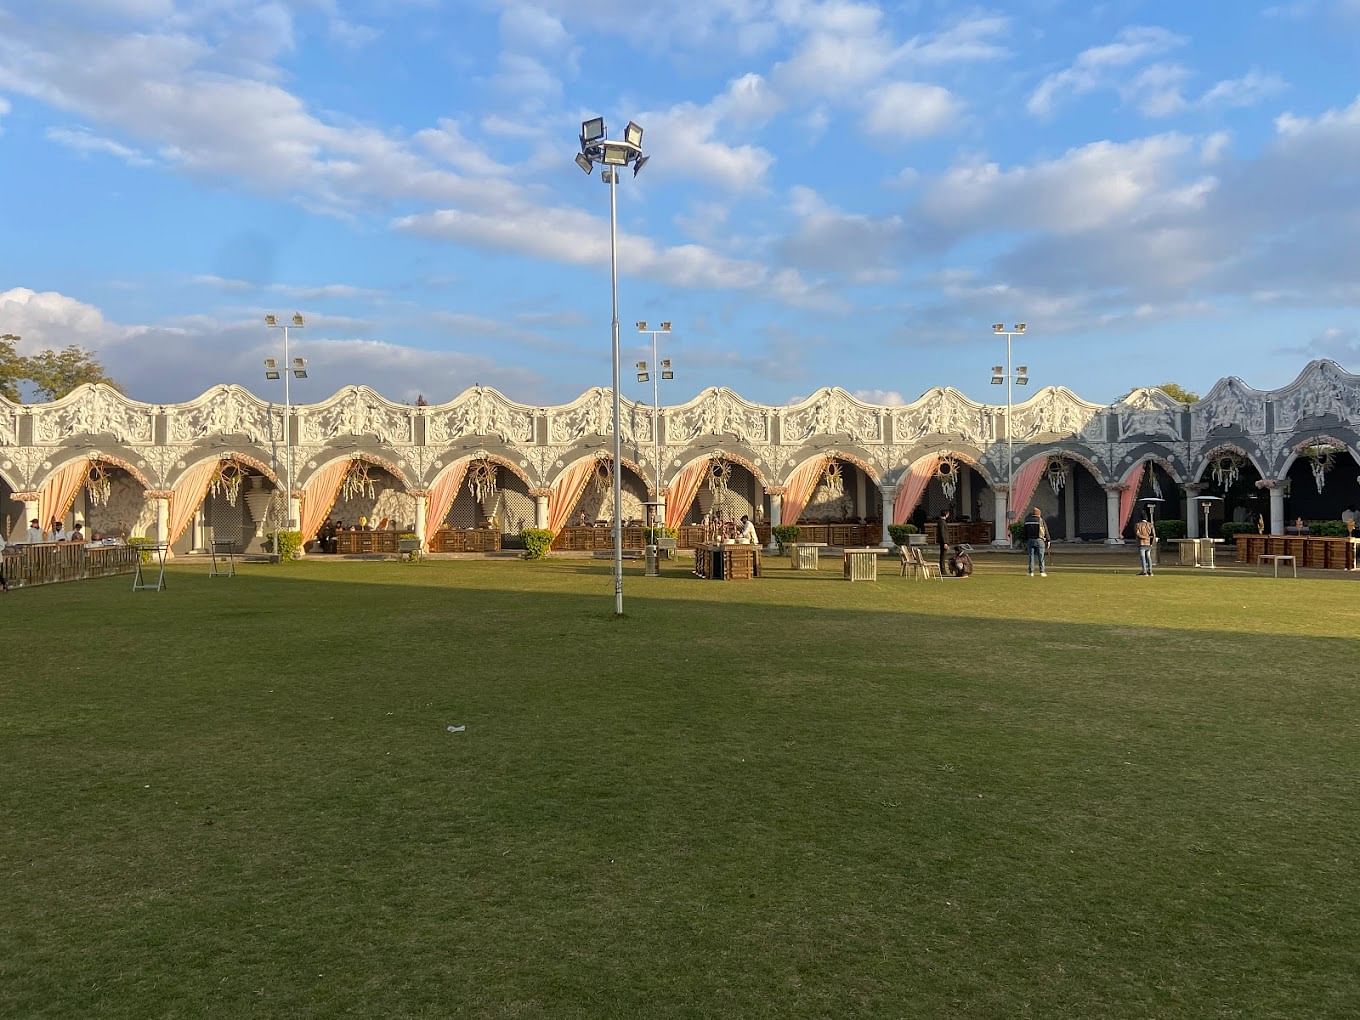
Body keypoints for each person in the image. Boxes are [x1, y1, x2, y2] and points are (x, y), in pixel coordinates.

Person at [1023, 507, 1048, 576]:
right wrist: (1048, 540)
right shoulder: (1041, 520)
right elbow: (1045, 531)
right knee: (1041, 556)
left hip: (1030, 540)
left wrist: (1025, 540)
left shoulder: (1027, 521)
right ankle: (1042, 572)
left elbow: (1024, 532)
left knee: (1031, 556)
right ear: (1039, 514)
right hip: (1039, 540)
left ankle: (1031, 572)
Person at [937, 508, 952, 575]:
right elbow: (942, 533)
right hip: (943, 542)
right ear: (946, 514)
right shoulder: (942, 522)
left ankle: (943, 570)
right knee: (943, 556)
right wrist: (945, 542)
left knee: (943, 556)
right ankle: (943, 571)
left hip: (943, 541)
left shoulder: (941, 521)